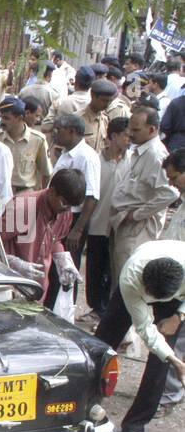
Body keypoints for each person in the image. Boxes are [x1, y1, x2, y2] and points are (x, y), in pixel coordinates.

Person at [94, 238, 185, 432]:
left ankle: (135, 425)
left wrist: (178, 316)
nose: (150, 301)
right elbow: (145, 328)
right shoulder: (132, 278)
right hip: (134, 287)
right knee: (103, 343)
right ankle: (83, 402)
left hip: (175, 298)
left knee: (162, 360)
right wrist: (175, 359)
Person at [108, 107, 177, 280]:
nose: (130, 134)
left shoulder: (155, 155)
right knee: (119, 275)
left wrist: (137, 215)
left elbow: (170, 193)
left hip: (138, 228)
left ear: (152, 129)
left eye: (136, 130)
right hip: (126, 222)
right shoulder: (141, 150)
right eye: (130, 128)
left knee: (128, 277)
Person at [0, 168, 86, 297]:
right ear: (52, 191)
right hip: (11, 284)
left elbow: (55, 240)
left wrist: (63, 260)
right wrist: (14, 263)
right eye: (64, 204)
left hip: (37, 286)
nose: (66, 209)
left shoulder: (65, 213)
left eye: (70, 207)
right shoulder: (24, 207)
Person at [51, 112, 101, 302]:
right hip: (60, 216)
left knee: (68, 266)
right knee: (56, 266)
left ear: (71, 132)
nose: (54, 134)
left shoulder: (87, 157)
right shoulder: (64, 153)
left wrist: (77, 230)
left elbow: (92, 197)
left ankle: (66, 308)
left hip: (73, 220)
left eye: (58, 130)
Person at [84, 116, 131, 316]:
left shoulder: (133, 161)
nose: (129, 140)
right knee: (95, 267)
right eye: (126, 136)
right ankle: (96, 307)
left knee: (115, 269)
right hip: (97, 223)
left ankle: (109, 309)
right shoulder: (96, 160)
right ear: (113, 136)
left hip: (120, 226)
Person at [0, 96, 51, 193]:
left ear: (20, 118)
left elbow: (46, 172)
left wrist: (40, 195)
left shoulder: (37, 140)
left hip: (24, 193)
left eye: (6, 118)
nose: (2, 121)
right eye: (1, 117)